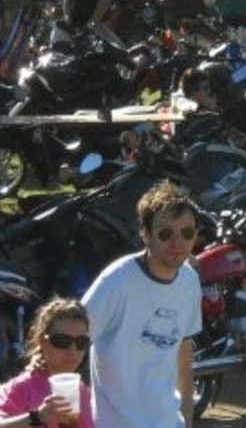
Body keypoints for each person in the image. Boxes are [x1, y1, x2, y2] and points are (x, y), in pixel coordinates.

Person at [81, 181, 201, 428]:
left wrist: (188, 421)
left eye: (187, 233)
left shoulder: (189, 281)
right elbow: (68, 343)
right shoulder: (117, 280)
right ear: (145, 234)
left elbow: (184, 363)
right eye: (165, 233)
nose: (177, 242)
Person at [0, 298, 94, 428]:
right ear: (43, 341)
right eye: (62, 341)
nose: (73, 350)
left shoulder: (83, 391)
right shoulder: (22, 387)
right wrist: (38, 417)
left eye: (81, 342)